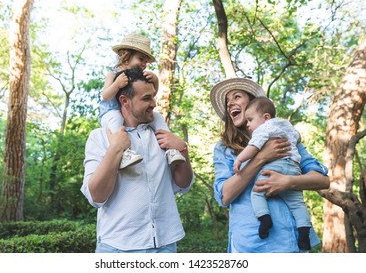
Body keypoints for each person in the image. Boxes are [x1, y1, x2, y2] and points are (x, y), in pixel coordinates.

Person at [210, 77, 330, 253]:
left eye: (236, 97)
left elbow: (322, 180)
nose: (230, 104)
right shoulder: (224, 148)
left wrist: (288, 182)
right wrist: (261, 157)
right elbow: (224, 196)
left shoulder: (283, 137)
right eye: (227, 101)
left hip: (290, 242)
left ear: (253, 103)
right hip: (248, 244)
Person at [81, 67, 193, 253]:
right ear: (125, 101)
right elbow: (96, 196)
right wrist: (116, 149)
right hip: (117, 248)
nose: (154, 104)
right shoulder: (99, 138)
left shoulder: (163, 136)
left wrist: (183, 150)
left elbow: (183, 183)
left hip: (165, 245)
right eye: (146, 98)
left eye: (153, 97)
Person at [233, 96, 312, 250]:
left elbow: (254, 147)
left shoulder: (265, 127)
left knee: (257, 193)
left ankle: (265, 218)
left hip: (275, 167)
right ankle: (303, 232)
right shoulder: (287, 125)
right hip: (294, 169)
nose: (248, 125)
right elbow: (296, 138)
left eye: (250, 120)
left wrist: (239, 160)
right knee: (297, 204)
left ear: (266, 117)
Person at [99, 33, 185, 169]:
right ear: (126, 56)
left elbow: (150, 95)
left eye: (146, 61)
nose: (144, 64)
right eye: (141, 59)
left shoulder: (141, 77)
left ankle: (171, 149)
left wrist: (155, 80)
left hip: (130, 115)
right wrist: (116, 85)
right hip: (111, 112)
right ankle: (124, 153)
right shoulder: (113, 75)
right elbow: (105, 97)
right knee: (116, 119)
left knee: (157, 117)